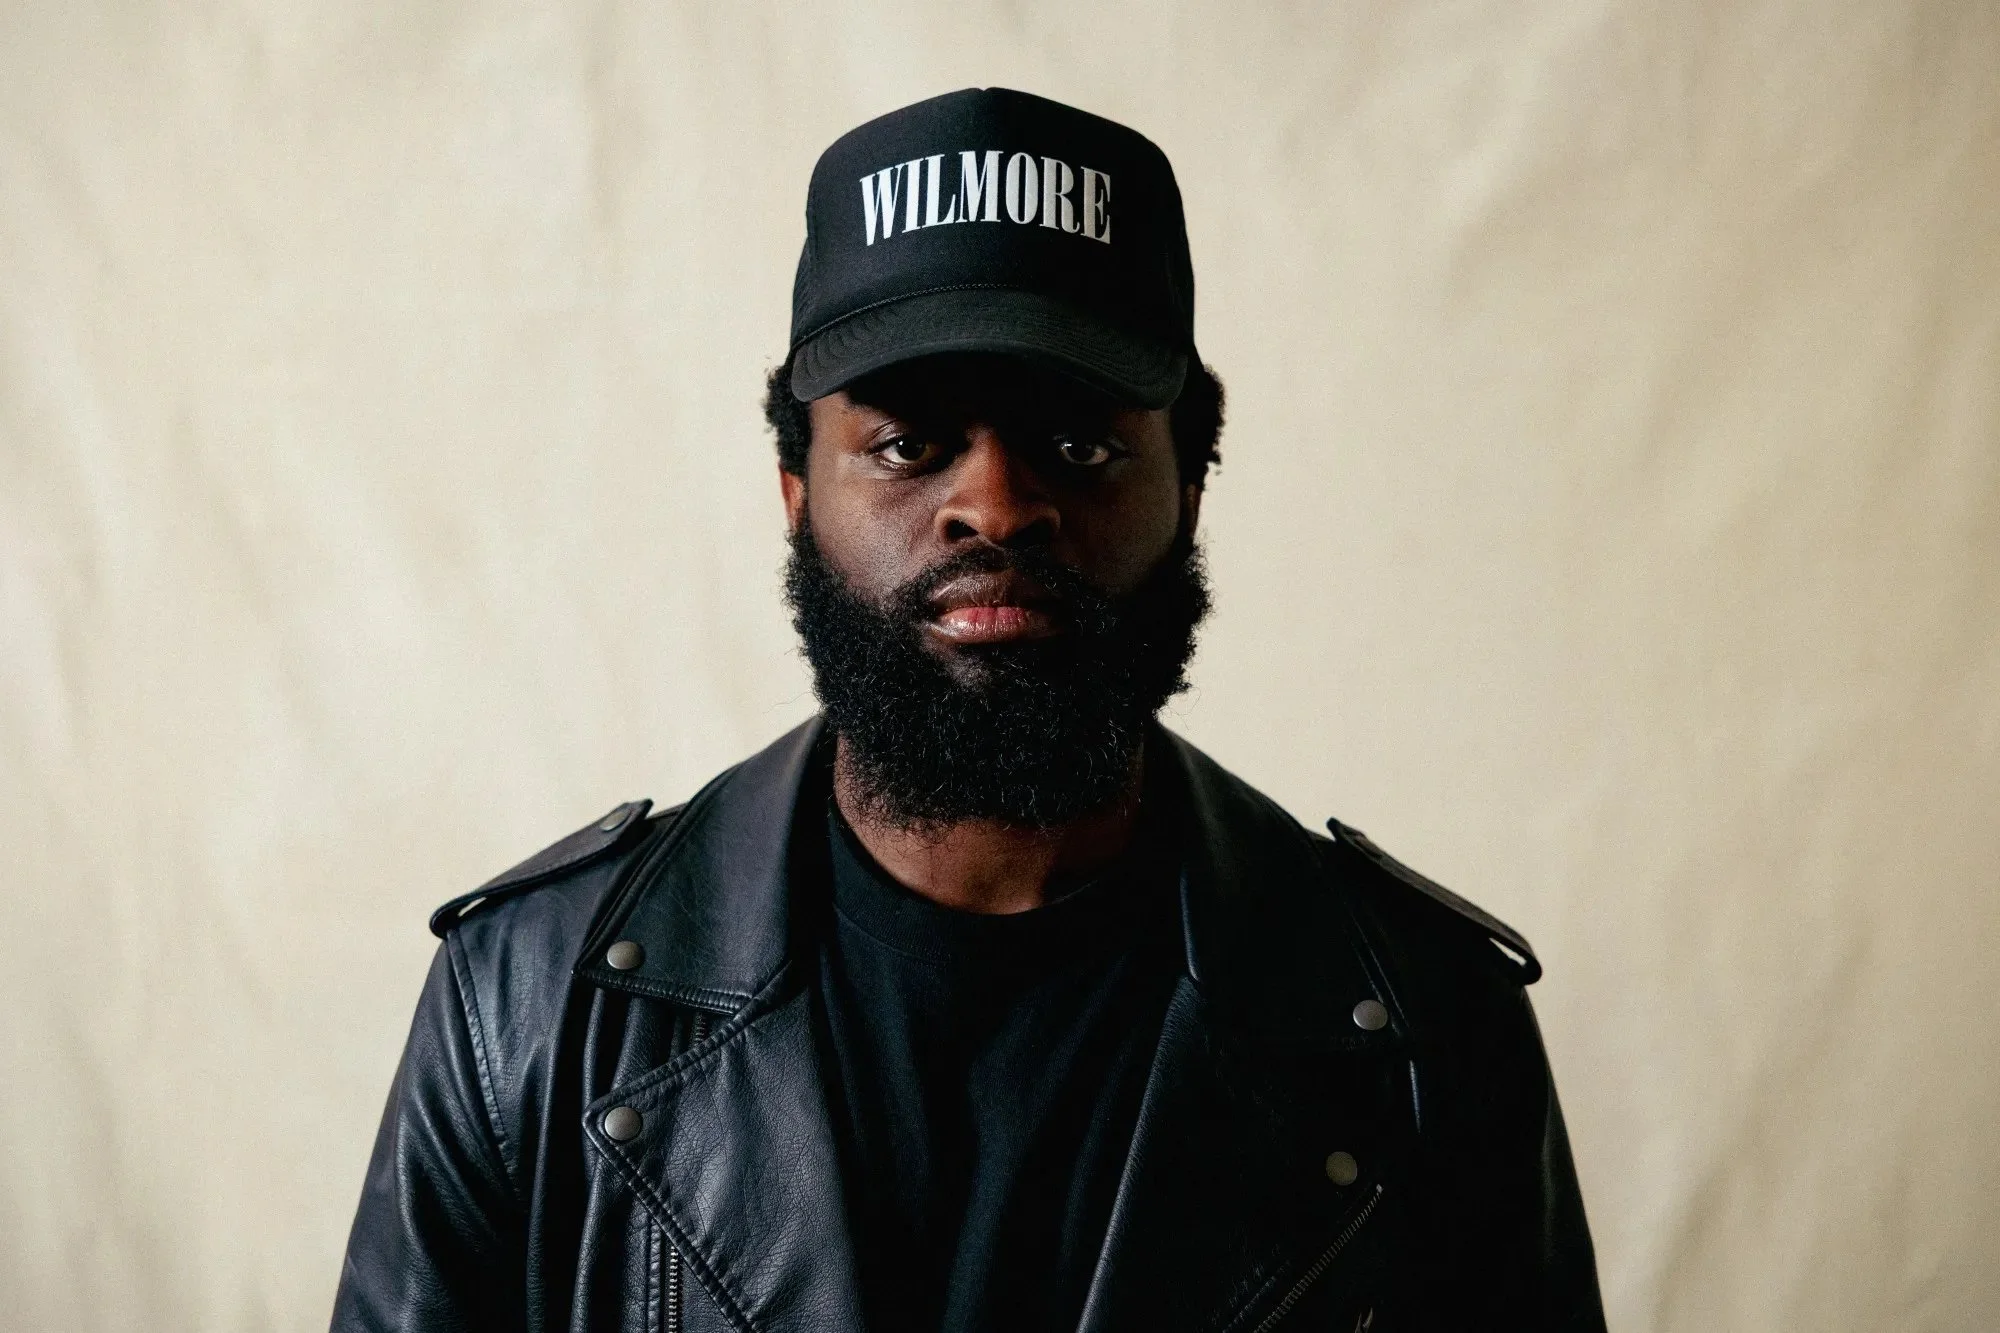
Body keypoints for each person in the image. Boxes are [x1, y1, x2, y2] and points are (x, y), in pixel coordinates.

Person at [331, 87, 1604, 1333]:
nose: (994, 506)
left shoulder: (1423, 1020)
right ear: (795, 491)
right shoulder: (525, 1002)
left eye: (1080, 447)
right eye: (907, 445)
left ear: (1189, 493)